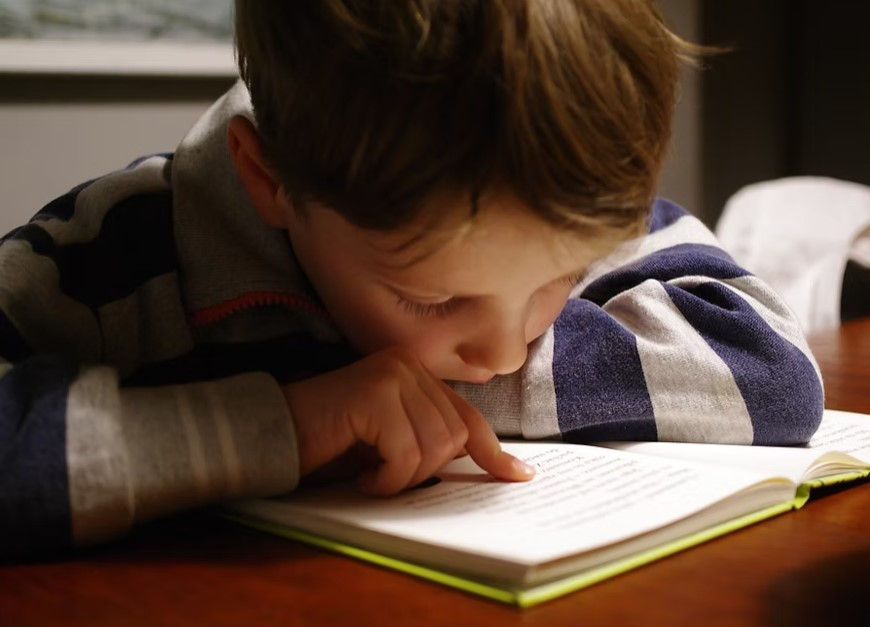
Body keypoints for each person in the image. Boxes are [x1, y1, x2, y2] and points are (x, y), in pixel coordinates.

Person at [0, 0, 823, 558]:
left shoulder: (554, 190)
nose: (506, 352)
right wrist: (285, 421)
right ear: (269, 178)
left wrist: (429, 397)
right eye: (434, 297)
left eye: (563, 276)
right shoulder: (103, 256)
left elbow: (773, 369)